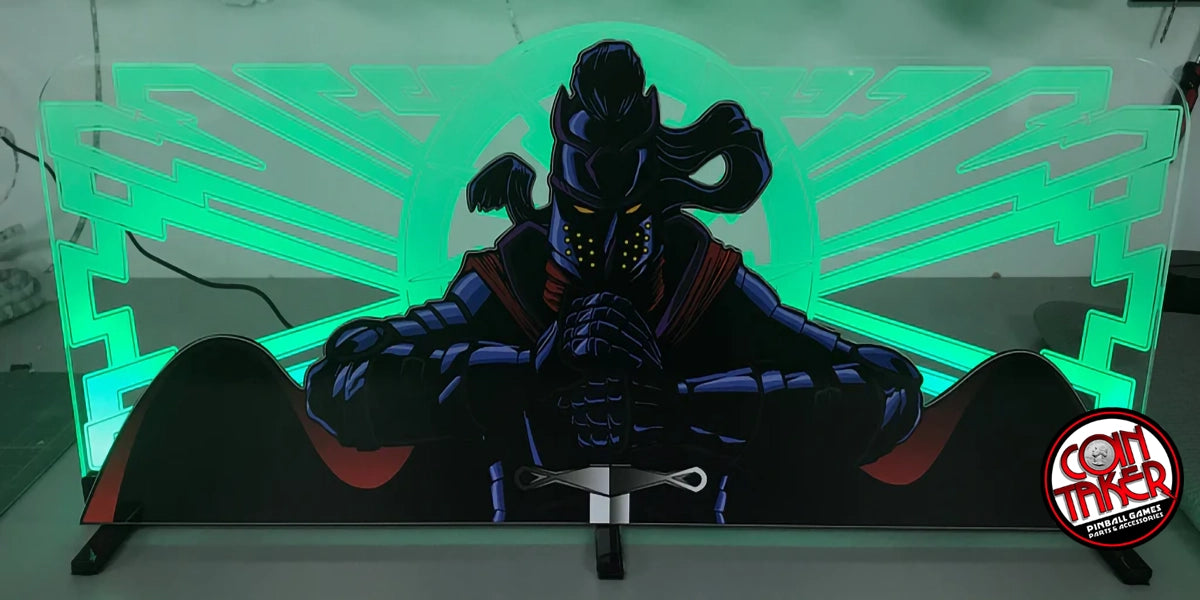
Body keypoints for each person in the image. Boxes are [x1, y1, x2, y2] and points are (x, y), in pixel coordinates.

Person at [83, 41, 1084, 527]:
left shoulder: (700, 277)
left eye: (627, 219)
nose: (605, 245)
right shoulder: (515, 277)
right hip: (506, 553)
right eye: (584, 217)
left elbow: (888, 388)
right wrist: (519, 380)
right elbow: (341, 379)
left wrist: (695, 403)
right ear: (553, 199)